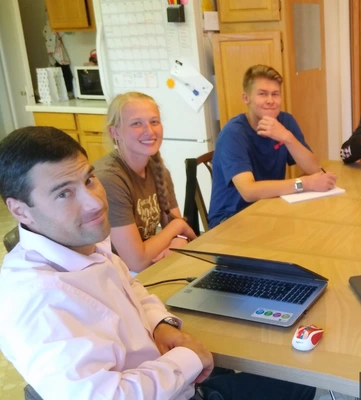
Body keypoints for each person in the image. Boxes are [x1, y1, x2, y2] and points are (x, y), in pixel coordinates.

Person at [0, 126, 316, 400]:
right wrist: (188, 358)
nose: (94, 202)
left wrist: (159, 324)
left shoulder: (80, 241)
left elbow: (131, 287)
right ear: (20, 210)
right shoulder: (33, 300)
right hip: (169, 386)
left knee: (294, 374)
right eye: (63, 194)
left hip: (170, 377)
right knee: (300, 381)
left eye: (89, 179)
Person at [208, 64, 337, 228]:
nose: (270, 100)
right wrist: (306, 183)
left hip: (269, 208)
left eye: (275, 94)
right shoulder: (233, 134)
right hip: (230, 220)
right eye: (262, 94)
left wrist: (287, 137)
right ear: (246, 98)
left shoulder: (285, 121)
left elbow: (313, 168)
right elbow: (249, 191)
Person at [94, 92, 197, 273]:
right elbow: (136, 261)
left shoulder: (158, 170)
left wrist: (177, 239)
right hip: (111, 276)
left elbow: (180, 233)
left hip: (147, 268)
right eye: (136, 123)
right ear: (115, 132)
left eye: (154, 122)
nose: (149, 131)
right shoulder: (109, 179)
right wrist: (177, 227)